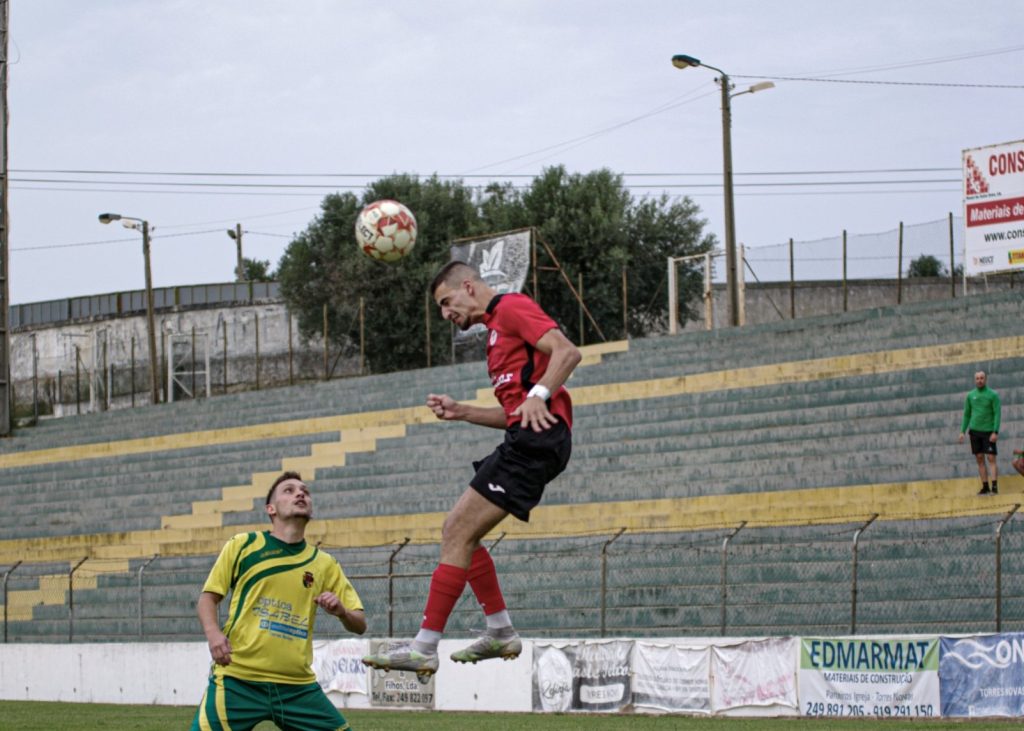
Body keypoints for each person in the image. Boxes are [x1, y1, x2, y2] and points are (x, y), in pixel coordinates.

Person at [363, 261, 581, 678]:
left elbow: (568, 352)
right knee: (461, 535)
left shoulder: (511, 307)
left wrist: (539, 394)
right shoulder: (495, 333)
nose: (446, 313)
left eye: (446, 302)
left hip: (539, 440)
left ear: (467, 286)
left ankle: (425, 647)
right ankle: (499, 630)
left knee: (455, 531)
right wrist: (462, 412)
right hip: (527, 437)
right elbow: (516, 413)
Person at [190, 471, 366, 731]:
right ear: (270, 509)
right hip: (238, 679)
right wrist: (213, 634)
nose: (300, 493)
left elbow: (360, 623)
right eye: (289, 490)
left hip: (297, 687)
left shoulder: (325, 564)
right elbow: (208, 598)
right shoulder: (244, 545)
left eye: (305, 491)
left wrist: (342, 612)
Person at [958, 371, 1001, 495]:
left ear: (985, 379)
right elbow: (967, 414)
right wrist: (962, 431)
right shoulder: (970, 395)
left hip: (988, 431)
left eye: (982, 378)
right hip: (975, 432)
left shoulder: (993, 395)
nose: (979, 380)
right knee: (979, 458)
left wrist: (995, 431)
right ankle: (985, 486)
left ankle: (994, 486)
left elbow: (997, 413)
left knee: (991, 458)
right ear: (975, 380)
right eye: (977, 378)